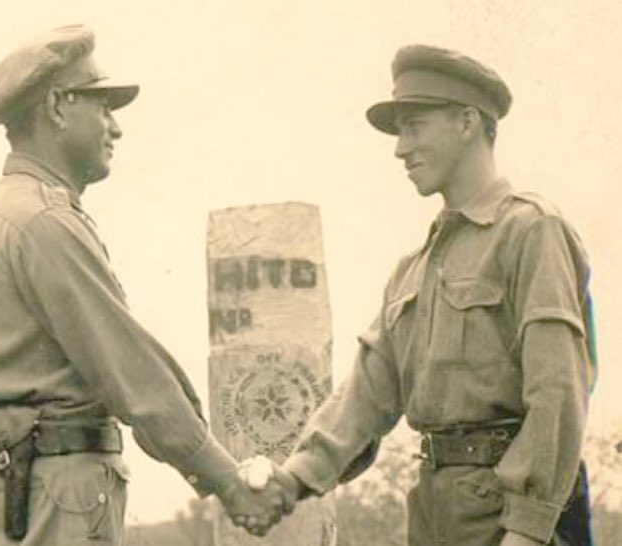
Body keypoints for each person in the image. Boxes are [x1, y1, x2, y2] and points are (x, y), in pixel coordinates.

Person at [0, 24, 294, 545]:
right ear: (60, 106)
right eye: (102, 106)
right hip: (53, 493)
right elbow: (133, 374)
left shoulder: (12, 211)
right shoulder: (42, 221)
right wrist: (228, 481)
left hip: (24, 482)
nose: (115, 128)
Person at [243, 45, 596, 545]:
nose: (400, 148)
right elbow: (365, 396)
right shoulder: (414, 268)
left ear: (468, 121)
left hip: (511, 518)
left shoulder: (531, 231)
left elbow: (558, 391)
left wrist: (528, 528)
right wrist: (291, 479)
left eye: (414, 125)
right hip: (434, 512)